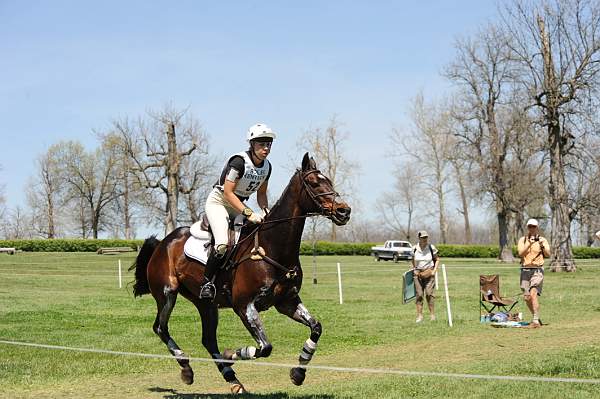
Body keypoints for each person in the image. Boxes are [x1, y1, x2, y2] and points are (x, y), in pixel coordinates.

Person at [198, 123, 275, 299]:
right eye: (261, 143)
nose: (266, 148)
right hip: (219, 203)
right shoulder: (238, 162)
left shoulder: (267, 167)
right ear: (252, 144)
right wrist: (249, 213)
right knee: (223, 243)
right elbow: (227, 192)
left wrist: (265, 210)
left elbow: (261, 194)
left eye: (269, 144)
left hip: (238, 205)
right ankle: (207, 283)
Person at [517, 218, 550, 328]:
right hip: (525, 270)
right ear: (527, 227)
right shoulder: (523, 240)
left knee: (533, 293)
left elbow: (548, 254)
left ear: (537, 228)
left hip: (537, 270)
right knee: (527, 297)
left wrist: (542, 245)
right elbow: (520, 253)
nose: (531, 228)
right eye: (530, 226)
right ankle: (536, 318)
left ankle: (535, 321)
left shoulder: (543, 240)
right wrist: (529, 243)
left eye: (534, 226)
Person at [411, 231, 440, 323]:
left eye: (426, 237)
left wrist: (434, 271)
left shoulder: (431, 247)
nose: (425, 239)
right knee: (419, 295)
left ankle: (432, 315)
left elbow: (437, 259)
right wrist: (414, 269)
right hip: (418, 274)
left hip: (429, 273)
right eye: (423, 237)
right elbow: (412, 260)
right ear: (419, 238)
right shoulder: (414, 248)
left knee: (429, 294)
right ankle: (419, 316)